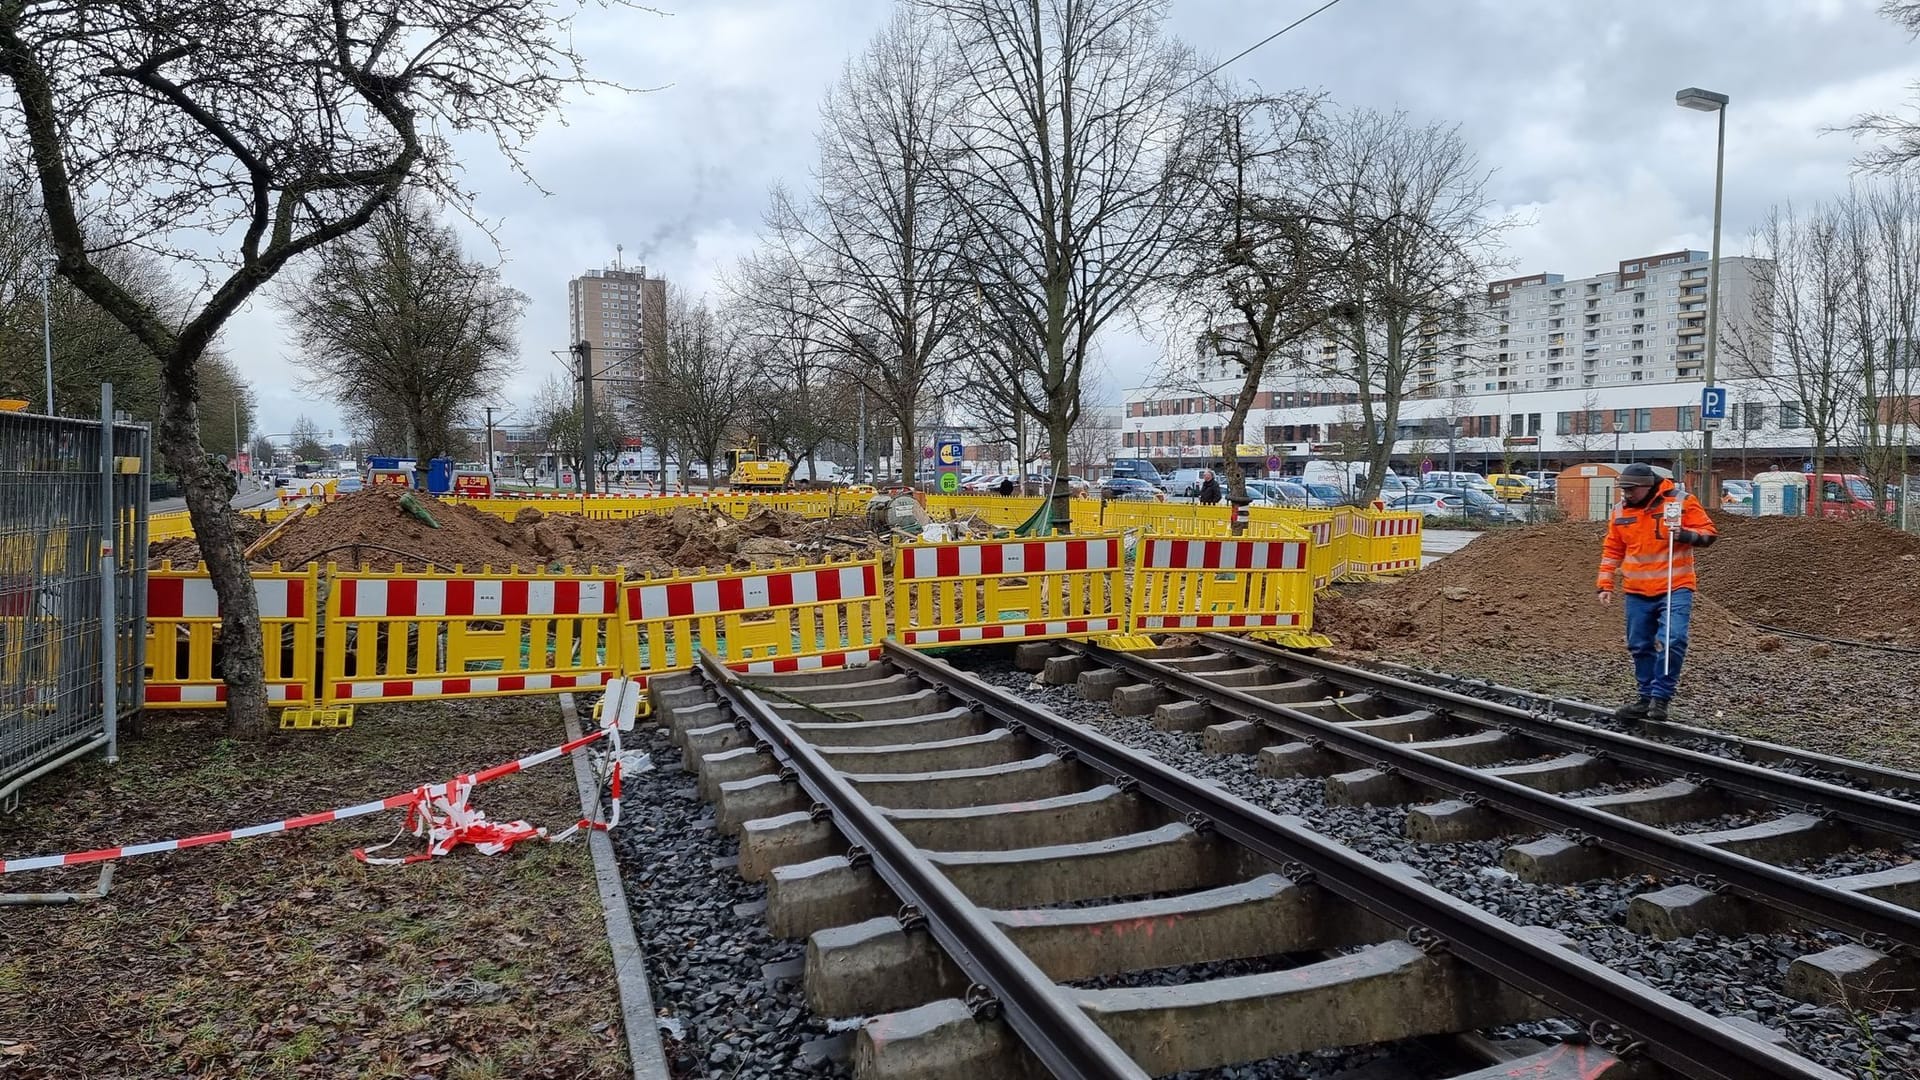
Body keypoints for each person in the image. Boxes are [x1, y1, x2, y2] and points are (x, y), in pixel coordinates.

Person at [1595, 463, 1718, 721]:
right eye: (1623, 489)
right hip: (1636, 589)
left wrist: (1684, 534)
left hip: (1675, 585)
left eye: (1631, 490)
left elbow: (1708, 534)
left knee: (1672, 640)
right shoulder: (1620, 511)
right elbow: (1612, 549)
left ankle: (1660, 698)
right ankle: (1645, 697)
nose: (1626, 494)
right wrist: (1605, 583)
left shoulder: (1681, 501)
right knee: (1639, 645)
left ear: (1647, 486)